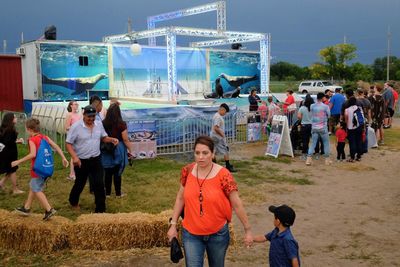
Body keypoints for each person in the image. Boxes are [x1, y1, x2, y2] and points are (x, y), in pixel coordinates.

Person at [167, 136, 253, 266]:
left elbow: (236, 203)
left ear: (213, 154)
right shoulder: (188, 171)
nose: (200, 157)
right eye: (197, 153)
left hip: (218, 234)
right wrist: (173, 225)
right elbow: (180, 198)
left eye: (205, 153)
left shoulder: (223, 175)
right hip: (191, 235)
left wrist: (248, 230)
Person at [66, 105, 119, 213]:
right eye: (89, 116)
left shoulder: (99, 124)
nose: (91, 119)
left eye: (93, 116)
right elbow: (68, 144)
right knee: (80, 183)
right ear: (84, 115)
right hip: (81, 160)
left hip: (96, 159)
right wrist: (75, 157)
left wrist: (111, 139)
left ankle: (100, 209)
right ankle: (73, 201)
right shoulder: (76, 127)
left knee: (99, 183)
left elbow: (103, 137)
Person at [13, 118, 69, 220]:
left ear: (29, 129)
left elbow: (32, 154)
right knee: (33, 186)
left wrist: (18, 161)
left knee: (36, 188)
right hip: (46, 168)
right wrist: (63, 158)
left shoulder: (32, 140)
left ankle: (49, 209)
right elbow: (56, 146)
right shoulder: (45, 137)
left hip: (37, 169)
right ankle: (26, 207)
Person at [101, 104, 131, 198]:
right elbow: (125, 139)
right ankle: (118, 193)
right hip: (118, 148)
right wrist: (130, 149)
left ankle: (107, 193)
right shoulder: (121, 124)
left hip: (106, 148)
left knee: (108, 172)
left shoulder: (103, 123)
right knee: (117, 172)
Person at [0, 113, 24, 194]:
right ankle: (15, 189)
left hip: (3, 152)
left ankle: (1, 183)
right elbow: (9, 142)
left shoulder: (2, 128)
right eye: (14, 117)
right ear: (11, 119)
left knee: (10, 169)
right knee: (13, 170)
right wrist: (18, 141)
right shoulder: (11, 130)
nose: (16, 118)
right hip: (10, 153)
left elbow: (5, 141)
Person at [306, 92, 332, 166]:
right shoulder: (325, 106)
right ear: (323, 98)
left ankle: (308, 159)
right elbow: (329, 115)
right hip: (323, 127)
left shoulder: (312, 106)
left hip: (314, 127)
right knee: (326, 143)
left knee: (313, 143)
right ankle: (327, 160)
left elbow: (311, 113)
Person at [210, 103, 236, 172]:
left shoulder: (216, 115)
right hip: (218, 137)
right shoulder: (218, 117)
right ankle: (228, 166)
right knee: (225, 150)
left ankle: (213, 167)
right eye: (225, 112)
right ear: (222, 109)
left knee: (213, 151)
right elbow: (216, 127)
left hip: (214, 136)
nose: (225, 114)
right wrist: (222, 135)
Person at [65, 101, 82, 181]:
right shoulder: (69, 114)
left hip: (79, 136)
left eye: (77, 104)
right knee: (73, 155)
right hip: (72, 137)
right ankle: (72, 174)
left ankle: (78, 172)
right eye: (75, 104)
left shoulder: (79, 115)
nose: (76, 106)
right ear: (71, 106)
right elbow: (66, 127)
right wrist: (74, 128)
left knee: (79, 154)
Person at [344, 96, 364, 162]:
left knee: (352, 142)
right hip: (359, 127)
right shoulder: (359, 108)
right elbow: (362, 118)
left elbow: (346, 120)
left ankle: (352, 157)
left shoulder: (347, 110)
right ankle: (359, 156)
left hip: (351, 128)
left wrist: (346, 128)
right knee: (359, 141)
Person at [297, 95, 314, 160]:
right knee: (311, 140)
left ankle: (304, 154)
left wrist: (302, 119)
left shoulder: (302, 108)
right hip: (312, 126)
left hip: (304, 125)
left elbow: (299, 117)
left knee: (305, 140)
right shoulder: (313, 108)